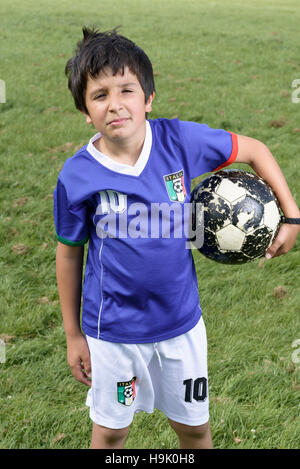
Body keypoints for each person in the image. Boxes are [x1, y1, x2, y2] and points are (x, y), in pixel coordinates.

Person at [54, 27, 300, 450]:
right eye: (99, 96)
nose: (115, 104)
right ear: (85, 110)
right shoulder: (77, 176)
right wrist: (74, 335)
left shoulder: (178, 142)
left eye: (126, 90)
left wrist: (292, 217)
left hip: (180, 324)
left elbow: (255, 149)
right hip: (112, 330)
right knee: (111, 433)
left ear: (148, 98)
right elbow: (69, 254)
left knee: (194, 429)